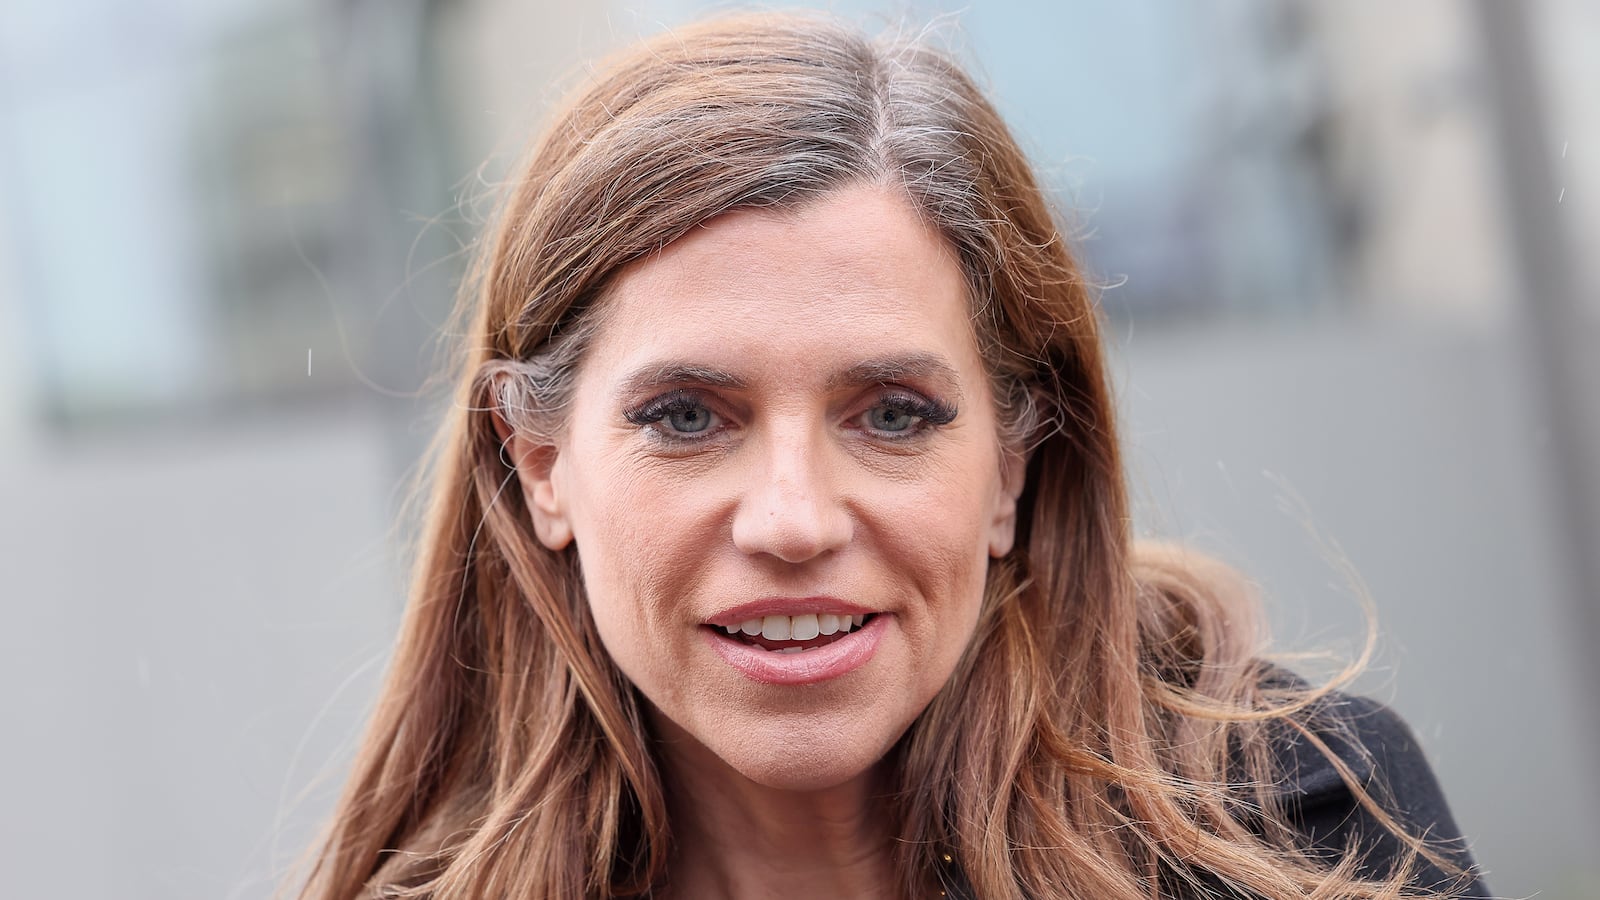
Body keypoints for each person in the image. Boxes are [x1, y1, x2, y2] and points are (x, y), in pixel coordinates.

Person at [294, 12, 1488, 900]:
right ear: (541, 462)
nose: (795, 519)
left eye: (894, 414)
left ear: (1016, 462)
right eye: (687, 417)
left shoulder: (1302, 827)